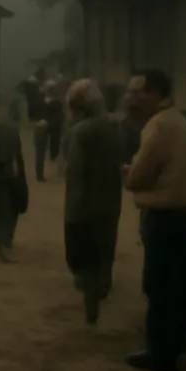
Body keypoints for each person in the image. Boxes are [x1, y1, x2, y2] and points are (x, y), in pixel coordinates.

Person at [122, 69, 186, 371]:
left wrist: (126, 173)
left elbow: (139, 176)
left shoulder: (157, 126)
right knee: (184, 285)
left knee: (160, 285)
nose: (130, 99)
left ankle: (160, 351)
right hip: (183, 215)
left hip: (162, 216)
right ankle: (180, 344)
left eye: (136, 92)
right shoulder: (179, 120)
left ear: (155, 93)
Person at [63, 79, 124, 324]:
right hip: (110, 201)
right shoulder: (114, 127)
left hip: (84, 204)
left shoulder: (81, 132)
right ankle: (103, 282)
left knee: (82, 259)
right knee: (104, 251)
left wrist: (72, 211)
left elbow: (75, 173)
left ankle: (91, 301)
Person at [0, 106, 28, 261]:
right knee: (11, 207)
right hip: (11, 170)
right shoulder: (14, 129)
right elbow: (17, 151)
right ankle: (6, 240)